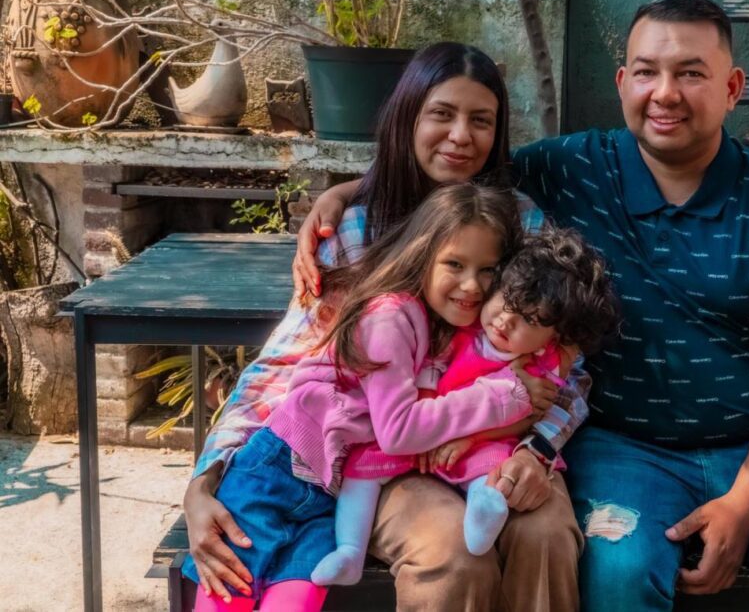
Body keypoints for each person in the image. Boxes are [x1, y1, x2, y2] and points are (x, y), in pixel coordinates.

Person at [297, 0, 749, 611]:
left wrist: (743, 505)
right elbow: (456, 168)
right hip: (625, 449)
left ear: (732, 88)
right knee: (616, 577)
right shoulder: (572, 169)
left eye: (691, 73)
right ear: (622, 83)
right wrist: (348, 194)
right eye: (646, 71)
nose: (664, 93)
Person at [184, 42, 585, 612]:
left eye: (481, 120)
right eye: (441, 113)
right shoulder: (356, 231)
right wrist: (204, 478)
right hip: (387, 457)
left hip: (503, 441)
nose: (461, 135)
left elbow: (570, 370)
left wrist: (536, 451)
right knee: (451, 552)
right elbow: (286, 363)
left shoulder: (523, 225)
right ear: (407, 118)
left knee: (545, 533)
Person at [184, 183, 545, 611]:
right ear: (422, 255)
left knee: (296, 601)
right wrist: (504, 397)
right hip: (280, 470)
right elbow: (397, 431)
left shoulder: (448, 323)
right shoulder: (390, 317)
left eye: (488, 270)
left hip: (329, 493)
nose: (472, 285)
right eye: (455, 264)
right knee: (230, 595)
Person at [313, 227, 619, 587]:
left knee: (535, 525)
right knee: (369, 473)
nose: (506, 320)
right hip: (419, 435)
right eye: (507, 302)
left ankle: (483, 512)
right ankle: (349, 550)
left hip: (487, 448)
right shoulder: (459, 323)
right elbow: (424, 376)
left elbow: (541, 409)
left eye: (530, 320)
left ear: (553, 337)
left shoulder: (542, 362)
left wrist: (474, 439)